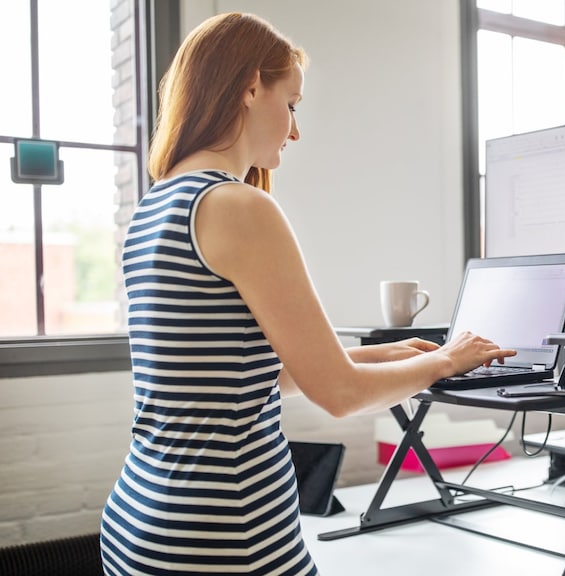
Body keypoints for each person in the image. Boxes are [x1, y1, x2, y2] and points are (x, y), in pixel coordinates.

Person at [99, 13, 515, 575]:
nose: (295, 129)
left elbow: (247, 375)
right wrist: (446, 362)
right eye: (291, 103)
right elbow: (339, 394)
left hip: (142, 523)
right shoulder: (238, 206)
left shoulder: (155, 206)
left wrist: (385, 354)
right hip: (227, 531)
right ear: (250, 86)